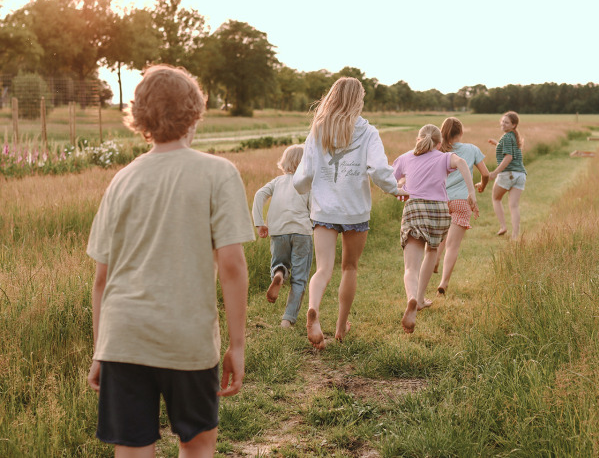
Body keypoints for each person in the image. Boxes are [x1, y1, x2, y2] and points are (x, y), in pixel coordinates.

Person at [86, 65, 255, 457]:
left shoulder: (122, 180)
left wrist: (101, 350)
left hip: (124, 339)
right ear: (195, 112)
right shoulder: (218, 173)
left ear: (139, 117)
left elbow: (101, 280)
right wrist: (237, 345)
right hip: (187, 340)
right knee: (197, 446)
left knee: (132, 450)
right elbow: (232, 265)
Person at [293, 77, 399, 350]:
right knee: (349, 267)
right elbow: (378, 169)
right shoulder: (368, 132)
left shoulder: (318, 130)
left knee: (323, 269)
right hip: (355, 212)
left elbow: (304, 175)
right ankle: (340, 328)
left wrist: (302, 188)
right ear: (358, 100)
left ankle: (313, 309)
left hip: (324, 210)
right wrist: (395, 188)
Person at [393, 124, 477, 334]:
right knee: (432, 251)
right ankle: (420, 299)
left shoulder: (405, 157)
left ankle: (412, 298)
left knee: (410, 267)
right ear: (439, 144)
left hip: (415, 207)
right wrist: (471, 192)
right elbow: (462, 162)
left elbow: (389, 182)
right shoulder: (444, 157)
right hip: (439, 209)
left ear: (418, 139)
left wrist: (401, 188)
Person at [252, 144, 313, 328]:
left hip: (278, 231)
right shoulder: (307, 183)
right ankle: (287, 319)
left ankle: (279, 274)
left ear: (284, 162)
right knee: (299, 278)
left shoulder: (277, 182)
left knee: (280, 263)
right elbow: (313, 208)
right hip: (301, 232)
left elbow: (259, 195)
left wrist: (259, 222)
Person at [434, 117, 490, 295]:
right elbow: (486, 174)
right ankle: (443, 282)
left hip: (441, 200)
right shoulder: (472, 149)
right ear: (461, 132)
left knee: (440, 237)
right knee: (453, 246)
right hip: (461, 201)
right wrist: (482, 185)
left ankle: (434, 260)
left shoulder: (439, 150)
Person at [488, 111, 527, 240]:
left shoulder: (506, 137)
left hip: (508, 174)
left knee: (496, 198)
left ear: (513, 125)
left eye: (506, 122)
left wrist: (495, 172)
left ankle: (503, 226)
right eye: (502, 121)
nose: (503, 124)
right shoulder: (514, 137)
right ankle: (515, 236)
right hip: (520, 175)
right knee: (514, 206)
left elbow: (508, 157)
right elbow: (510, 151)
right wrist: (497, 144)